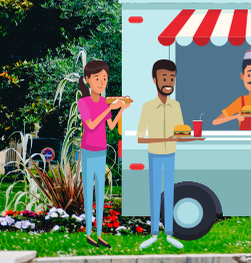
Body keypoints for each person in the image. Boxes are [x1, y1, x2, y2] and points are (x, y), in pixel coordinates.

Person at [77, 60, 130, 248]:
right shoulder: (83, 102)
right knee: (88, 193)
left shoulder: (103, 102)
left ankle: (99, 234)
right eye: (97, 78)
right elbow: (90, 125)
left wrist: (121, 109)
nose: (101, 82)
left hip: (101, 151)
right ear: (88, 80)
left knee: (100, 193)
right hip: (88, 150)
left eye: (105, 79)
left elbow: (112, 126)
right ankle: (89, 233)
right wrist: (109, 107)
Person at [136, 59, 184, 249]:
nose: (169, 82)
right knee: (155, 194)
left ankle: (170, 234)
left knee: (170, 194)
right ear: (155, 80)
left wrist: (183, 137)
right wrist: (164, 139)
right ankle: (154, 234)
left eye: (172, 78)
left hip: (171, 155)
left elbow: (180, 134)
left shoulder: (176, 106)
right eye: (164, 77)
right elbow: (140, 138)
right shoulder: (148, 107)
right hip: (154, 155)